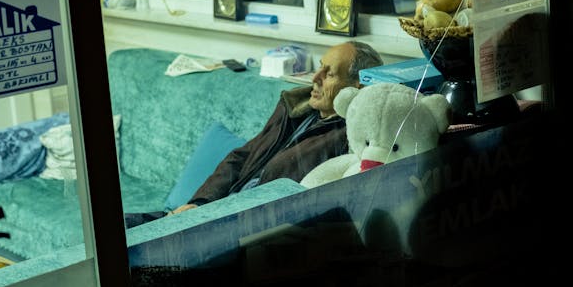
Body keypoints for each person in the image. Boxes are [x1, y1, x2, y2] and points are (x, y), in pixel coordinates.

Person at [124, 41, 382, 228]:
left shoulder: (348, 135)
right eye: (320, 67)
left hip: (245, 225)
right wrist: (200, 204)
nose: (315, 77)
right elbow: (242, 156)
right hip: (216, 209)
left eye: (329, 74)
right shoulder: (296, 108)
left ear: (356, 86)